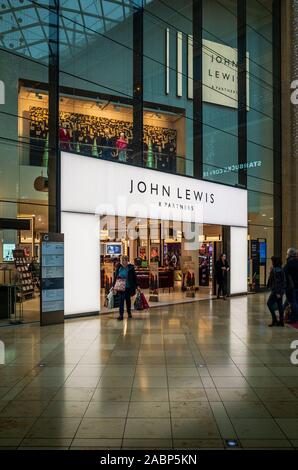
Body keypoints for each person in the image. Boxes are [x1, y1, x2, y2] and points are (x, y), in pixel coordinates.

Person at [113, 255, 139, 321]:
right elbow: (115, 277)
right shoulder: (119, 267)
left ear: (126, 261)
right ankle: (121, 315)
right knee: (121, 301)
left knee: (128, 300)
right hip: (120, 287)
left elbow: (134, 278)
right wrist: (113, 286)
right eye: (121, 260)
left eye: (123, 260)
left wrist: (137, 286)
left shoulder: (130, 268)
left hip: (128, 287)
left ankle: (129, 312)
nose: (122, 262)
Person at [267, 256, 286, 327]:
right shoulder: (280, 269)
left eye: (272, 261)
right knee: (280, 305)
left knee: (269, 303)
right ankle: (281, 321)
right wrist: (281, 292)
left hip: (276, 291)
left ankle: (274, 319)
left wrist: (278, 292)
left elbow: (277, 282)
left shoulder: (276, 270)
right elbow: (283, 281)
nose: (271, 263)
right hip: (280, 291)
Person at [283, 247, 298, 323]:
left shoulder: (289, 264)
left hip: (291, 287)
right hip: (296, 286)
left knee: (293, 303)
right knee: (295, 302)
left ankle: (294, 318)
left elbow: (284, 273)